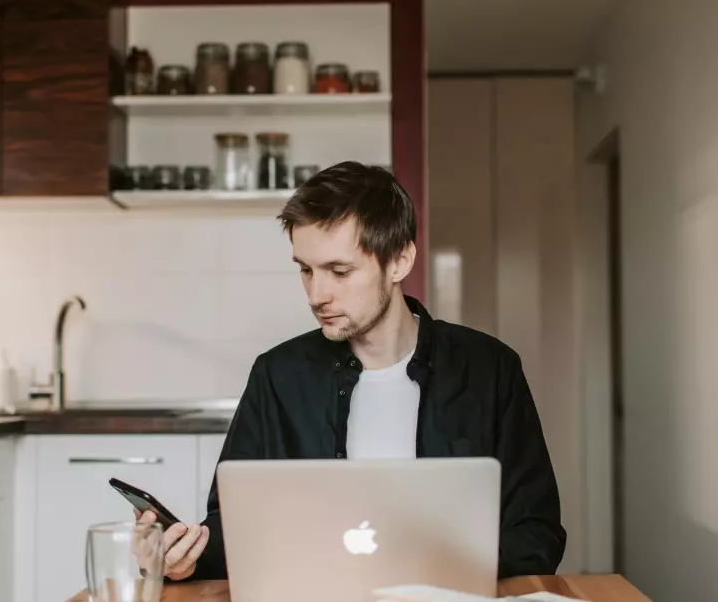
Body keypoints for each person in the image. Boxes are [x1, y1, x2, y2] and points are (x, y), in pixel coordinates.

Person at [135, 161, 566, 580]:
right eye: (305, 270)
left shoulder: (489, 369)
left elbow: (537, 535)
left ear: (398, 260)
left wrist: (425, 561)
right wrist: (184, 558)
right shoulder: (276, 376)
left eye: (339, 271)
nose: (317, 294)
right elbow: (232, 528)